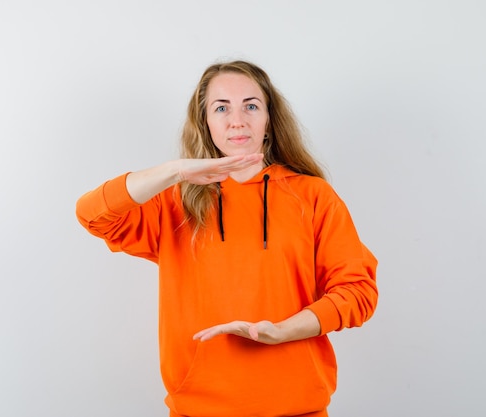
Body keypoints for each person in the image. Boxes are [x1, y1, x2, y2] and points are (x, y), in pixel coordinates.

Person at [76, 60, 378, 417]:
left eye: (251, 105)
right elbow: (92, 214)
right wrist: (176, 170)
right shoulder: (176, 199)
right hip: (197, 409)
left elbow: (357, 291)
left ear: (269, 119)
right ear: (205, 121)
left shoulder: (313, 195)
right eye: (222, 108)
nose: (238, 120)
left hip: (297, 408)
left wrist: (284, 331)